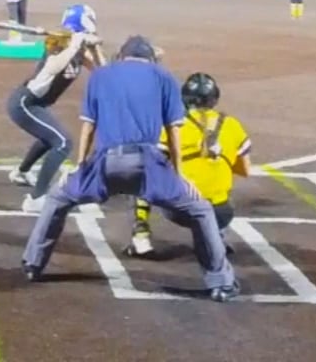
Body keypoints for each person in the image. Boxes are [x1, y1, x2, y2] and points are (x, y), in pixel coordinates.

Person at [20, 34, 239, 302]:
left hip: (106, 163)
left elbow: (89, 126)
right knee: (201, 210)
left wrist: (80, 166)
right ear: (149, 58)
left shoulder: (101, 76)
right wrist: (179, 175)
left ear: (123, 56)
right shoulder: (165, 76)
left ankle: (33, 264)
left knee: (57, 198)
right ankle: (221, 283)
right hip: (148, 166)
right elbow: (174, 130)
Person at [126, 72, 252, 257]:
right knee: (222, 181)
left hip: (181, 210)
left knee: (140, 176)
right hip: (221, 213)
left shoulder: (174, 125)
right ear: (215, 98)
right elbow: (245, 170)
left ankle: (141, 237)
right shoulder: (232, 124)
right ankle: (217, 235)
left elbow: (153, 163)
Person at [6, 4, 104, 212]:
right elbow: (53, 67)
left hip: (37, 104)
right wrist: (74, 45)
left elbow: (103, 73)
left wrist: (95, 49)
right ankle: (36, 198)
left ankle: (21, 172)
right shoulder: (58, 44)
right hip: (25, 103)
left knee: (49, 138)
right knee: (62, 142)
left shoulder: (79, 49)